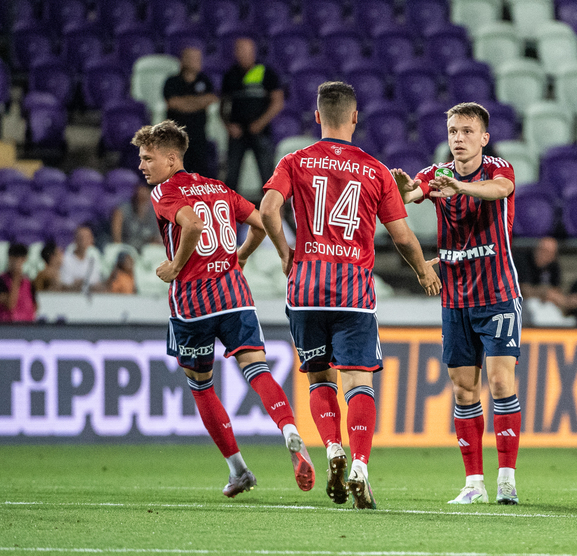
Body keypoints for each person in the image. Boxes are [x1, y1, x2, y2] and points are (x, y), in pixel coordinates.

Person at [261, 82, 441, 510]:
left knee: (319, 378)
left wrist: (286, 253)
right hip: (352, 291)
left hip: (305, 288)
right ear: (355, 118)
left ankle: (333, 449)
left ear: (317, 117)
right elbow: (402, 235)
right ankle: (359, 464)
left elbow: (267, 209)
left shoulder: (295, 161)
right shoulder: (375, 169)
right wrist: (422, 270)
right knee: (358, 382)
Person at [133, 120, 315, 497]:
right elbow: (261, 222)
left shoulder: (165, 191)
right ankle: (289, 429)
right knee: (258, 370)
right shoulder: (218, 187)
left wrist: (176, 266)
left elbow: (193, 225)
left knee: (201, 387)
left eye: (148, 158)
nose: (142, 166)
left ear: (171, 159)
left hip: (193, 303)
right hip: (235, 295)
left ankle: (239, 470)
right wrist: (241, 256)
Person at [392, 102, 525, 506]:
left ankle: (506, 479)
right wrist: (402, 189)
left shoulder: (499, 169)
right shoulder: (436, 173)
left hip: (499, 295)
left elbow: (499, 191)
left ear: (484, 138)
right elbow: (412, 195)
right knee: (464, 390)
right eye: (453, 131)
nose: (459, 138)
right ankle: (474, 483)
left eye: (467, 131)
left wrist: (460, 188)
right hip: (456, 300)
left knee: (500, 383)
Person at [221, 36, 284, 196]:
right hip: (237, 134)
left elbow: (278, 102)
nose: (243, 54)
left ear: (253, 52)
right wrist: (228, 125)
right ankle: (228, 210)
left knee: (268, 178)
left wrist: (260, 123)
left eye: (246, 50)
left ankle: (273, 211)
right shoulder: (230, 75)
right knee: (231, 178)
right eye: (239, 50)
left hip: (260, 133)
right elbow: (223, 105)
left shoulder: (265, 72)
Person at [163, 47, 218, 176]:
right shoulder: (172, 82)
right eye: (194, 59)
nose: (198, 62)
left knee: (200, 175)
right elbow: (173, 103)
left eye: (199, 58)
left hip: (199, 136)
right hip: (177, 138)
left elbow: (211, 99)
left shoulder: (205, 80)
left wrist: (185, 103)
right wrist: (199, 103)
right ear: (184, 60)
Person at [0, 242, 37, 322]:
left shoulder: (29, 283)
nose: (18, 263)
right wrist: (16, 279)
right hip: (6, 326)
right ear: (10, 258)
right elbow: (10, 305)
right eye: (15, 259)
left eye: (21, 260)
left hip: (26, 326)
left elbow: (34, 308)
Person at [516, 236, 566, 307]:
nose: (542, 254)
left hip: (546, 302)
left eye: (547, 252)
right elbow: (523, 290)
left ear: (553, 256)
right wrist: (545, 292)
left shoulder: (554, 266)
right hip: (522, 302)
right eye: (540, 250)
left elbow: (557, 289)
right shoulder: (523, 260)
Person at [110, 185, 160, 251]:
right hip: (126, 248)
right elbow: (116, 240)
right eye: (139, 198)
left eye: (144, 198)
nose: (141, 201)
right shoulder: (123, 210)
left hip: (145, 250)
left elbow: (157, 239)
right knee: (114, 249)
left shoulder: (155, 213)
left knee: (157, 251)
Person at [60, 225, 103, 292]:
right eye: (81, 237)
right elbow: (65, 283)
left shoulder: (93, 260)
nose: (83, 240)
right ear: (75, 239)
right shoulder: (65, 260)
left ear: (91, 240)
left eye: (87, 237)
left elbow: (95, 282)